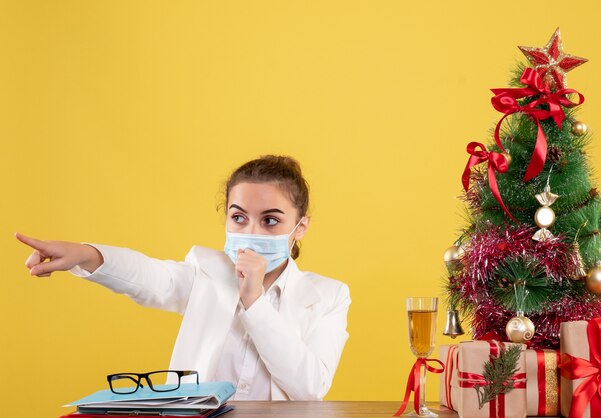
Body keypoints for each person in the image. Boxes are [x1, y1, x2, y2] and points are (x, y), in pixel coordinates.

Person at [15, 155, 350, 401]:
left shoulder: (329, 296)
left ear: (300, 227)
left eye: (270, 221)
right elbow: (151, 277)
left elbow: (309, 388)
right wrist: (89, 255)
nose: (250, 232)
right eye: (239, 217)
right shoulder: (206, 272)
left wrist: (254, 301)